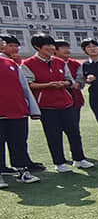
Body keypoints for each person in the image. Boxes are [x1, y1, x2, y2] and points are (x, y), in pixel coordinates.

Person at [21, 35, 92, 172]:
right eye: (48, 45)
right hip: (46, 106)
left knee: (74, 132)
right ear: (37, 47)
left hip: (66, 103)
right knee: (53, 135)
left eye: (52, 45)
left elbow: (69, 80)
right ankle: (59, 163)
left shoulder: (59, 62)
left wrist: (64, 83)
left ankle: (79, 158)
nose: (52, 48)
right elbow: (28, 84)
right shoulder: (28, 64)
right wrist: (48, 85)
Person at [0, 34, 41, 188]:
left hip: (17, 111)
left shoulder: (11, 63)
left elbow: (24, 88)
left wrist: (32, 108)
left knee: (19, 143)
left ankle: (23, 171)